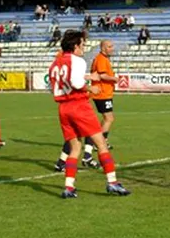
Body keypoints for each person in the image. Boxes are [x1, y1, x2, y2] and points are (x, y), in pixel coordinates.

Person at [48, 30, 130, 198]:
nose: (83, 48)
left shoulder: (56, 63)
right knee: (101, 144)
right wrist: (90, 86)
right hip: (79, 106)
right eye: (82, 44)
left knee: (75, 148)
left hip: (63, 108)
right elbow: (76, 82)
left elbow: (63, 80)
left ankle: (69, 187)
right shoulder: (77, 60)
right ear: (76, 45)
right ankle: (112, 182)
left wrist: (88, 76)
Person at [91, 40, 119, 149]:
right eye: (109, 46)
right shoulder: (101, 59)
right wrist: (114, 79)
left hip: (104, 93)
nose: (112, 48)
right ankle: (100, 143)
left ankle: (100, 141)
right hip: (102, 93)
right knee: (109, 118)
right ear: (103, 48)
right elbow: (102, 75)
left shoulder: (103, 58)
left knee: (107, 118)